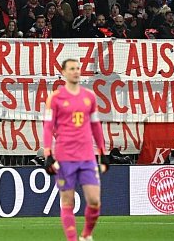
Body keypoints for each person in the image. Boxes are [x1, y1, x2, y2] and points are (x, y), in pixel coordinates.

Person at [43, 58, 107, 241]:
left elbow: (96, 125)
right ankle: (72, 239)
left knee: (95, 201)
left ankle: (86, 235)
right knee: (67, 201)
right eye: (72, 69)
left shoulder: (89, 97)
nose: (76, 71)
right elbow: (48, 127)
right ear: (63, 72)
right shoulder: (55, 98)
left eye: (78, 68)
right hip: (64, 157)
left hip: (87, 157)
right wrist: (48, 153)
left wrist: (103, 151)